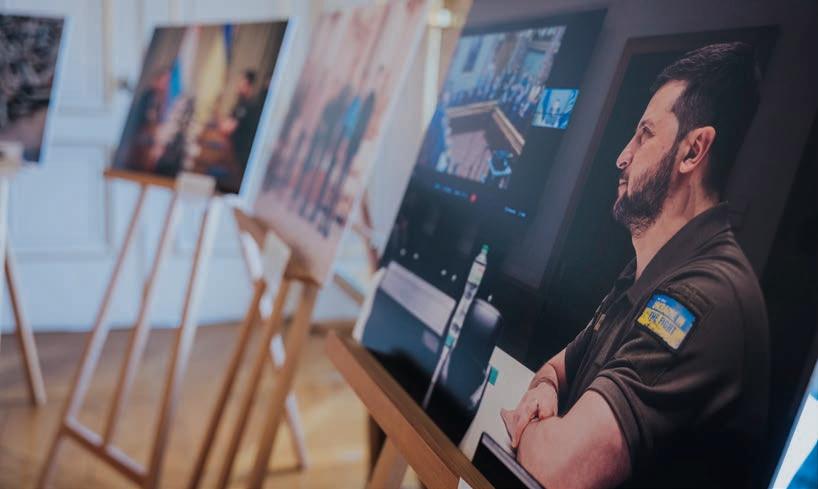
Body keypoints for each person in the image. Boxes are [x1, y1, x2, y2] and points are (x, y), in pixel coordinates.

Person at [501, 42, 768, 488]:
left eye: (645, 134)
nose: (622, 156)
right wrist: (545, 392)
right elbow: (556, 370)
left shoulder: (703, 297)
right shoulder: (648, 269)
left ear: (693, 152)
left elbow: (559, 469)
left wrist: (526, 425)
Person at [221, 70, 264, 172]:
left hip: (242, 157)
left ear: (248, 85)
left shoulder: (249, 106)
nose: (238, 85)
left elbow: (227, 128)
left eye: (241, 82)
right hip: (235, 155)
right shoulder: (241, 104)